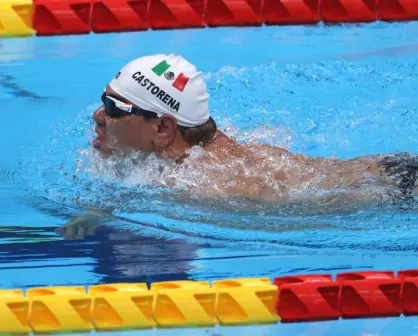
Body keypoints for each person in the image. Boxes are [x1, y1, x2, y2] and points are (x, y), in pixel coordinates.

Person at [92, 53, 418, 203]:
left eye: (113, 108)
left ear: (163, 129)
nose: (97, 115)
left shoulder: (208, 186)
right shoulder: (195, 147)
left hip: (396, 187)